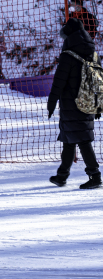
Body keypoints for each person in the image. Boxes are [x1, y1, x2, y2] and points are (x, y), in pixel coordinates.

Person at [47, 18, 102, 190]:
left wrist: (51, 102)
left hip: (72, 105)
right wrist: (98, 104)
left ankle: (95, 176)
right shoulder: (93, 53)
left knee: (82, 140)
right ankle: (62, 175)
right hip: (88, 103)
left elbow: (58, 82)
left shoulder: (68, 56)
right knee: (69, 140)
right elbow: (99, 80)